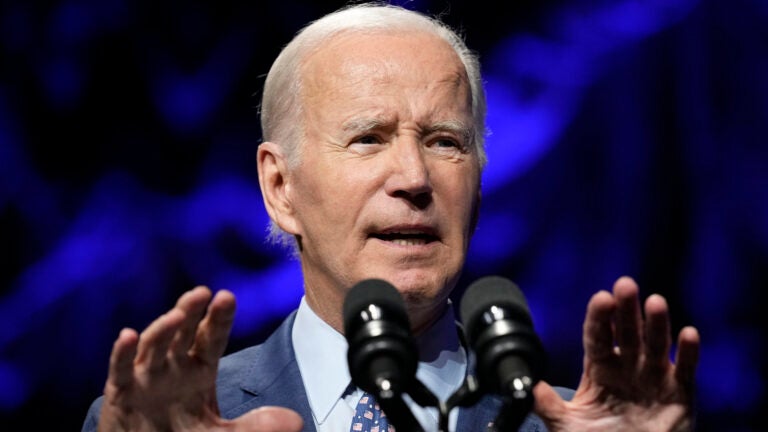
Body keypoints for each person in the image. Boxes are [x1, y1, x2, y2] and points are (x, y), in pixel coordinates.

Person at [82, 2, 701, 432]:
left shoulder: (569, 425)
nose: (414, 178)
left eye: (445, 142)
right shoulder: (168, 418)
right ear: (280, 186)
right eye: (369, 139)